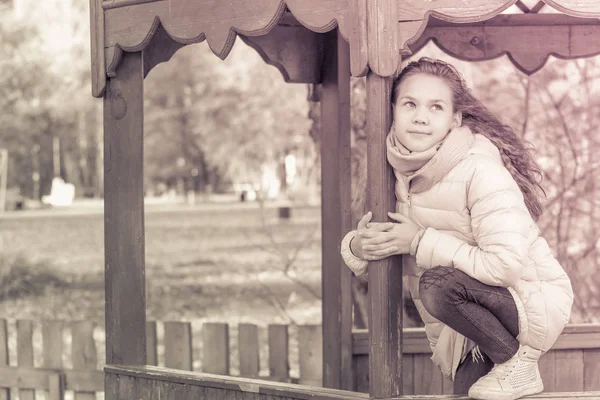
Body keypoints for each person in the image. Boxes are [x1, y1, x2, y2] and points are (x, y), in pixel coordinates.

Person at [340, 57, 573, 400]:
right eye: (410, 104)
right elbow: (392, 244)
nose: (421, 116)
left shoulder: (479, 170)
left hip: (528, 300)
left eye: (436, 107)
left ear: (455, 119)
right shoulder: (394, 168)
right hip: (464, 326)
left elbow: (506, 266)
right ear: (392, 110)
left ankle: (515, 362)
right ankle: (512, 364)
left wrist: (419, 240)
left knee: (436, 283)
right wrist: (360, 246)